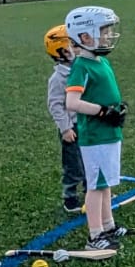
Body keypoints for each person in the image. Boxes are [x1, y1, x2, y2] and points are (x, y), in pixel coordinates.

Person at [63, 5, 128, 250]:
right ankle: (95, 234)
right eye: (103, 31)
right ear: (85, 36)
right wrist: (102, 111)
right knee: (96, 186)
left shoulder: (101, 61)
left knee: (105, 182)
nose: (108, 36)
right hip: (95, 135)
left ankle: (108, 225)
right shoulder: (81, 66)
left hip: (109, 132)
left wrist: (118, 108)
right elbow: (72, 102)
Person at [44, 26, 86, 214]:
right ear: (62, 51)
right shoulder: (58, 78)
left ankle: (91, 192)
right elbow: (55, 105)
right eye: (74, 45)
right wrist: (65, 128)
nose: (79, 48)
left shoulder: (82, 68)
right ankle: (70, 197)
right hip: (72, 128)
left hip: (87, 124)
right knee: (73, 166)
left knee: (90, 161)